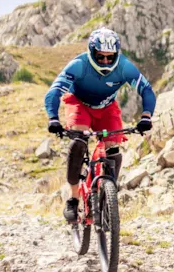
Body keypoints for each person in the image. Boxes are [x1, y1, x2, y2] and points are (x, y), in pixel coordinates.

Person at [45, 28, 155, 223]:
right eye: (100, 56)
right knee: (79, 141)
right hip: (78, 103)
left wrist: (146, 116)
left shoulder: (124, 66)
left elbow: (146, 89)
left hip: (106, 107)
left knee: (113, 147)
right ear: (91, 52)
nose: (105, 61)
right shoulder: (78, 65)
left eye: (109, 57)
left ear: (116, 55)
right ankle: (73, 198)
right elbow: (54, 92)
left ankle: (108, 191)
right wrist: (53, 118)